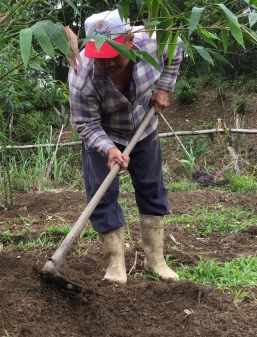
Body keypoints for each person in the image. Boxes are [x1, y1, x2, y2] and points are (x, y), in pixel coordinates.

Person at [68, 10, 182, 284]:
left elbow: (177, 45)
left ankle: (155, 259)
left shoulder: (154, 41)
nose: (106, 62)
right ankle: (115, 262)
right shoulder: (81, 75)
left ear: (130, 40)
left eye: (112, 53)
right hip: (103, 133)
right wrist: (108, 149)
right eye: (99, 55)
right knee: (102, 196)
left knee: (152, 188)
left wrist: (164, 87)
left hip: (143, 127)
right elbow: (85, 124)